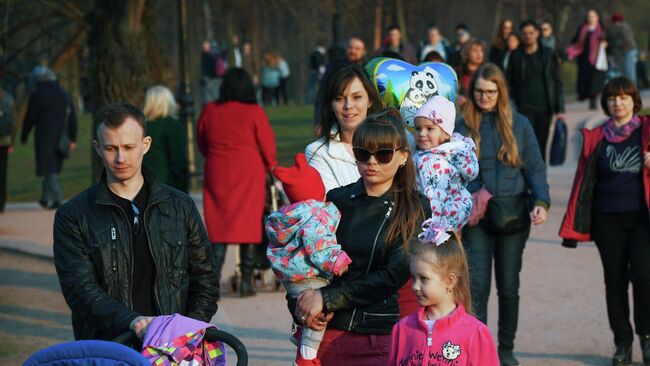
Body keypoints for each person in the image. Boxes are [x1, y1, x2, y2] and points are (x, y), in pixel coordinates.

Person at [53, 102, 219, 341]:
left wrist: (184, 330)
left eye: (129, 147)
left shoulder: (180, 206)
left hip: (174, 348)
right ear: (97, 148)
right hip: (108, 348)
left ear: (146, 145)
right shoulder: (74, 215)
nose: (121, 158)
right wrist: (133, 322)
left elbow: (205, 278)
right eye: (111, 148)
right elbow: (80, 290)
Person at [295, 110, 431, 364]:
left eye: (383, 154)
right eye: (362, 153)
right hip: (326, 335)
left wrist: (326, 298)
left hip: (377, 337)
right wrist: (300, 305)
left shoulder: (415, 207)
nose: (372, 162)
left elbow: (394, 273)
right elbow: (304, 262)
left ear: (402, 156)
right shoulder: (336, 199)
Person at [455, 64, 550, 366]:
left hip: (513, 216)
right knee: (478, 287)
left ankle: (506, 349)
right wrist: (475, 190)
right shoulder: (462, 126)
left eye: (491, 92)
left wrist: (542, 201)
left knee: (509, 286)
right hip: (477, 218)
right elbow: (453, 171)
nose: (485, 97)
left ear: (501, 91)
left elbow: (534, 167)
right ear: (473, 92)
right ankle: (480, 350)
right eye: (480, 91)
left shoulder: (520, 123)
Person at [559, 76, 650, 366]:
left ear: (634, 101)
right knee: (615, 281)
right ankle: (621, 343)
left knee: (645, 278)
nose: (617, 103)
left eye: (623, 97)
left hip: (641, 219)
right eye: (612, 98)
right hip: (606, 219)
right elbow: (583, 182)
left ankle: (646, 339)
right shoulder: (597, 136)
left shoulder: (647, 131)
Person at [197, 68, 277, 297]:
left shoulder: (210, 110)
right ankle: (246, 281)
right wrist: (271, 167)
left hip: (218, 170)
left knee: (219, 227)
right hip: (248, 171)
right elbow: (267, 146)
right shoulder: (255, 112)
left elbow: (202, 142)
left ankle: (212, 284)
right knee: (249, 226)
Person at [266, 153, 352, 366]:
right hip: (310, 276)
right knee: (319, 316)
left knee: (309, 313)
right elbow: (319, 245)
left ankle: (302, 333)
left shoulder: (290, 215)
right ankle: (306, 357)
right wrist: (337, 261)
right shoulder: (316, 215)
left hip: (292, 279)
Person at [389, 222, 499, 366]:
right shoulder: (402, 329)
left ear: (450, 281)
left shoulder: (475, 333)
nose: (415, 286)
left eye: (424, 279)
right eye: (413, 278)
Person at [306, 64, 382, 192]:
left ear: (370, 100)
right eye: (339, 99)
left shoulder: (401, 141)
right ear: (331, 105)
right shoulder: (318, 152)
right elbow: (329, 205)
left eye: (357, 97)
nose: (348, 106)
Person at [412, 96, 478, 232]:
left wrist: (432, 231)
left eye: (430, 129)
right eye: (418, 128)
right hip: (449, 220)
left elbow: (434, 199)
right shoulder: (452, 153)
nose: (422, 134)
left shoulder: (433, 162)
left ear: (445, 133)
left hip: (433, 228)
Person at [507, 20, 565, 161]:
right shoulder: (516, 56)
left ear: (538, 33)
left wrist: (560, 109)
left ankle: (540, 178)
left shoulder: (548, 54)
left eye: (531, 33)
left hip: (544, 108)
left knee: (541, 144)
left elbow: (556, 81)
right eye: (525, 33)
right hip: (523, 108)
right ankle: (527, 179)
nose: (528, 36)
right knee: (525, 145)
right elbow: (509, 82)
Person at [20, 66, 77, 210]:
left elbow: (30, 117)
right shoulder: (64, 93)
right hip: (62, 136)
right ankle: (45, 198)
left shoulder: (38, 94)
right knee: (52, 167)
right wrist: (73, 137)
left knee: (49, 168)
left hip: (44, 136)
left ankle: (58, 199)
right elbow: (72, 116)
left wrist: (24, 135)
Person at [142, 85, 189, 192]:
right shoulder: (171, 125)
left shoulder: (140, 125)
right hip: (166, 184)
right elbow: (179, 161)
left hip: (142, 184)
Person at [566, 9, 607, 110]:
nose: (591, 18)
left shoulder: (602, 29)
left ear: (597, 17)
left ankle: (593, 101)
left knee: (595, 81)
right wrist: (572, 51)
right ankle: (586, 97)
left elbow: (610, 40)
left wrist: (606, 44)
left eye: (593, 16)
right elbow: (575, 41)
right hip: (584, 59)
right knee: (585, 80)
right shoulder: (582, 28)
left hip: (597, 59)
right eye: (589, 16)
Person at [607, 13, 638, 84]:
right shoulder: (622, 27)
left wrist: (616, 44)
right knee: (626, 71)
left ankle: (633, 88)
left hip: (629, 50)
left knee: (629, 71)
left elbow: (626, 39)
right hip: (626, 51)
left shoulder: (624, 27)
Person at [456, 39, 485, 110]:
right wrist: (457, 98)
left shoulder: (486, 72)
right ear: (467, 53)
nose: (479, 54)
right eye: (475, 51)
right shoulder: (458, 72)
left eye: (481, 50)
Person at [0, 87, 14, 213]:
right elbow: (12, 122)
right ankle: (1, 202)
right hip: (4, 141)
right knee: (2, 173)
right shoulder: (8, 98)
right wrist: (12, 143)